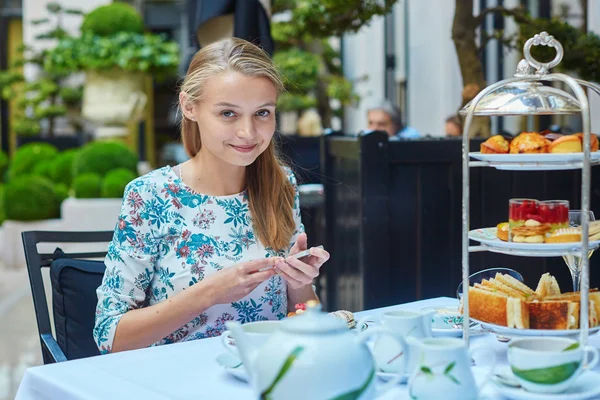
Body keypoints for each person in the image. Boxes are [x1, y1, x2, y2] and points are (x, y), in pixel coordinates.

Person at [93, 38, 330, 354]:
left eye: (262, 113)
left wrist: (300, 282)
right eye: (228, 113)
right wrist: (210, 292)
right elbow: (110, 336)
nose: (248, 132)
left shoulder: (281, 185)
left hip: (264, 376)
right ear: (190, 107)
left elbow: (304, 314)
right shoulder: (150, 196)